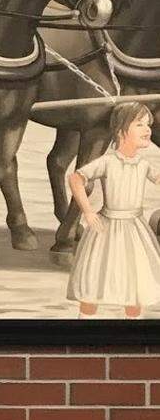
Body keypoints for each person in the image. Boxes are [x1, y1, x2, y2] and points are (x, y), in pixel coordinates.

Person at [67, 102, 160, 320]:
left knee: (135, 285)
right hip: (106, 227)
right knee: (94, 282)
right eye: (140, 125)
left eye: (148, 125)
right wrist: (88, 211)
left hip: (135, 229)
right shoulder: (108, 162)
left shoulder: (144, 164)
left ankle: (133, 331)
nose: (147, 130)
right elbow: (76, 178)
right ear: (120, 132)